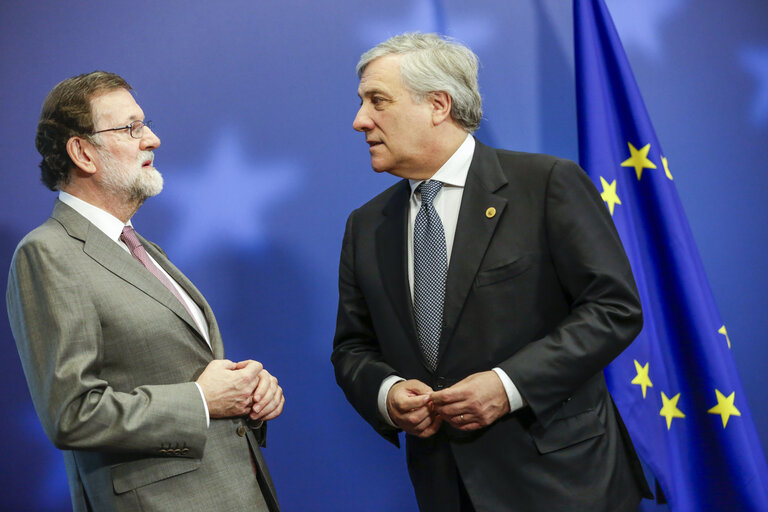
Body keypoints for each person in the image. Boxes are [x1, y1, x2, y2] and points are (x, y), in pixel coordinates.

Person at [331, 33, 652, 512]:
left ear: (438, 104)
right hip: (445, 487)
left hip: (564, 482)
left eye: (378, 101)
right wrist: (388, 392)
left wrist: (508, 386)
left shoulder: (544, 185)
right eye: (362, 103)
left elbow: (614, 308)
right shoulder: (366, 225)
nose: (360, 121)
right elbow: (352, 347)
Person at [6, 71, 284, 512]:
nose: (152, 139)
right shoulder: (48, 253)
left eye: (145, 124)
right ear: (82, 152)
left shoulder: (140, 247)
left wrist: (246, 394)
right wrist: (200, 400)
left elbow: (181, 368)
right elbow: (71, 414)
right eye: (130, 128)